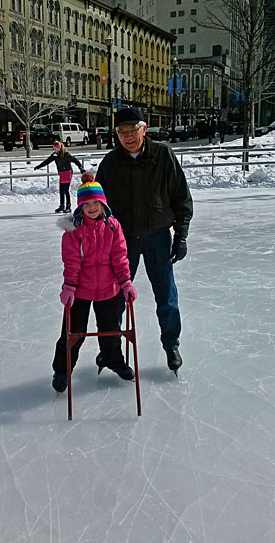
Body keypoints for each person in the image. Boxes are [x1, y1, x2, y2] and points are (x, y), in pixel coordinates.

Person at [96, 107, 193, 375]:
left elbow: (181, 197)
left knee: (166, 294)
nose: (127, 137)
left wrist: (181, 234)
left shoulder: (163, 155)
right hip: (122, 241)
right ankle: (110, 349)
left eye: (132, 130)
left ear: (144, 128)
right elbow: (98, 205)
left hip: (157, 236)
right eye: (121, 132)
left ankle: (171, 344)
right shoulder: (110, 163)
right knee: (114, 296)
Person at [51, 172, 137, 393]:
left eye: (95, 203)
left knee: (111, 330)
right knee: (73, 332)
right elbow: (71, 262)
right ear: (80, 206)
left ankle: (113, 360)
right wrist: (69, 287)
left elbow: (119, 257)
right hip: (80, 289)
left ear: (102, 203)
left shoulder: (112, 227)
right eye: (86, 204)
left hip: (109, 287)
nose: (91, 208)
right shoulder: (73, 231)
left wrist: (126, 282)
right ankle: (63, 369)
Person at [34, 141, 84, 213]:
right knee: (61, 190)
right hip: (62, 173)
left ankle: (68, 207)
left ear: (60, 148)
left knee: (66, 190)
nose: (55, 149)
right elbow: (47, 161)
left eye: (56, 148)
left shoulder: (66, 154)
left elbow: (75, 160)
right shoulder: (55, 155)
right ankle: (62, 205)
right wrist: (39, 166)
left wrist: (81, 168)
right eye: (53, 148)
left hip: (68, 172)